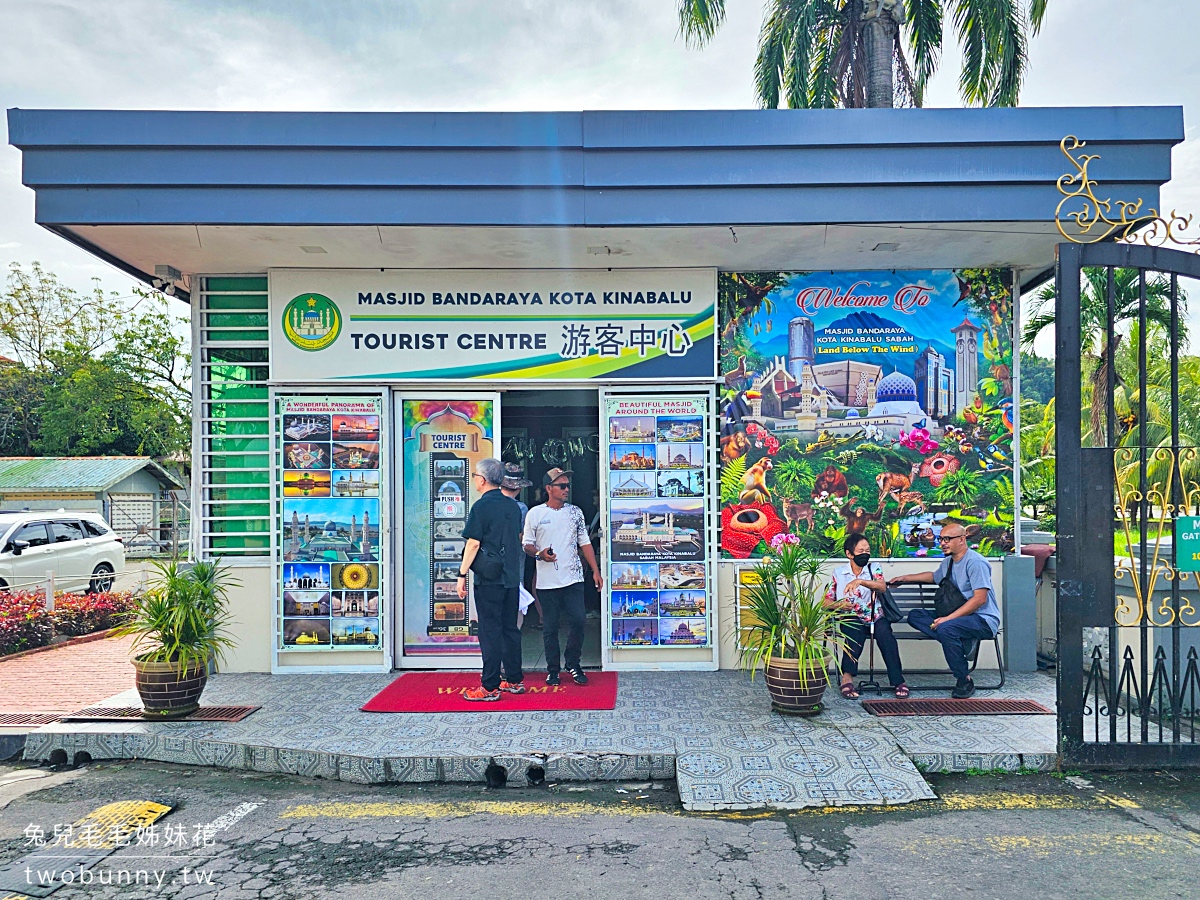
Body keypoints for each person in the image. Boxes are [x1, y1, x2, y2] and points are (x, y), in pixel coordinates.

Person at [889, 522, 1000, 699]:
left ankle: (964, 679)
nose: (942, 543)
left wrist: (947, 619)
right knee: (915, 616)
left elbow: (980, 599)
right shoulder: (949, 561)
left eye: (947, 539)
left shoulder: (975, 562)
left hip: (982, 619)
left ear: (962, 539)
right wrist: (904, 578)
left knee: (946, 628)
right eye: (941, 539)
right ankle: (963, 640)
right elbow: (934, 577)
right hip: (959, 617)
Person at [523, 467, 603, 686]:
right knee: (550, 627)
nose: (567, 489)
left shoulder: (575, 512)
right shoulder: (535, 513)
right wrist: (540, 554)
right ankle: (552, 670)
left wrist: (596, 571)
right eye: (562, 486)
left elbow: (584, 542)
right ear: (549, 489)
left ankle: (573, 663)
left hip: (574, 578)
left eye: (568, 485)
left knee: (578, 620)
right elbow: (527, 545)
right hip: (547, 582)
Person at [457, 457, 525, 702]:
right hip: (510, 577)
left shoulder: (481, 507)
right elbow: (516, 536)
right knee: (510, 629)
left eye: (475, 475)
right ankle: (515, 680)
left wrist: (462, 574)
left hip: (489, 579)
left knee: (490, 631)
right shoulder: (512, 506)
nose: (475, 479)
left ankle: (490, 686)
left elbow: (473, 543)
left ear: (482, 479)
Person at [824, 532, 908, 700]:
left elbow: (882, 587)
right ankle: (847, 679)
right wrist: (839, 605)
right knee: (854, 635)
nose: (865, 554)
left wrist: (861, 582)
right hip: (850, 616)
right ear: (849, 554)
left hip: (874, 616)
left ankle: (898, 681)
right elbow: (826, 602)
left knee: (886, 637)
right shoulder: (839, 573)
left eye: (867, 550)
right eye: (861, 550)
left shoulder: (873, 568)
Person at [500, 462, 539, 628]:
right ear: (519, 488)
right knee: (516, 608)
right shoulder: (521, 508)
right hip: (514, 566)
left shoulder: (486, 504)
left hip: (489, 567)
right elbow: (523, 538)